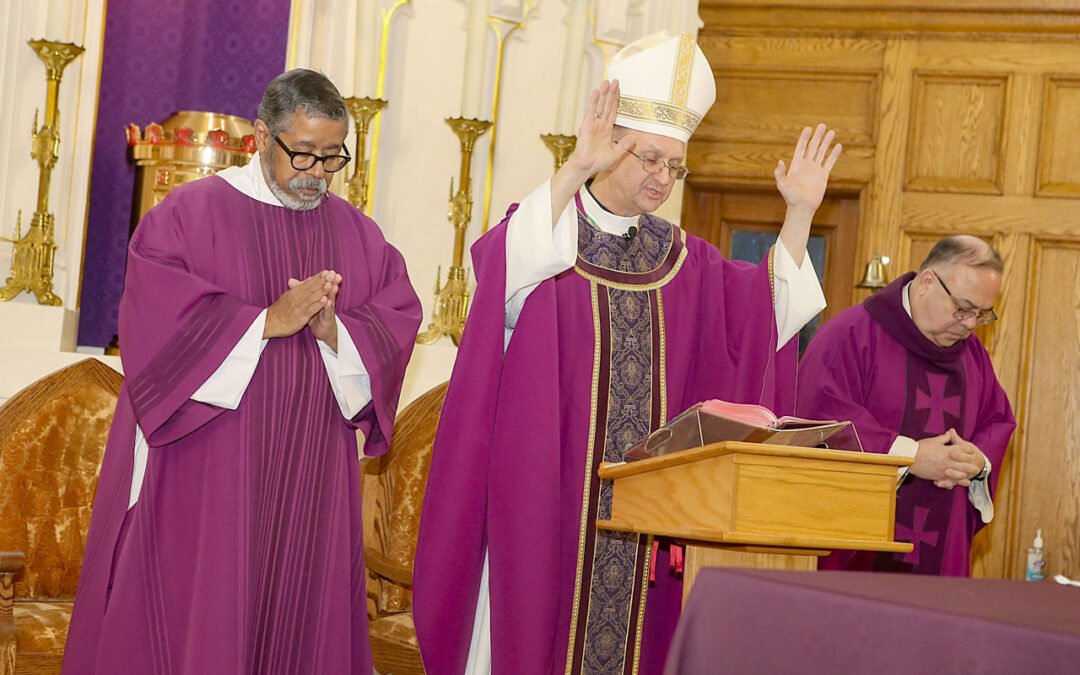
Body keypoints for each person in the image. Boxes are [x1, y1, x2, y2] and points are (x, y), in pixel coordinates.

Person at [413, 33, 840, 674]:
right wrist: (573, 170)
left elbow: (764, 321)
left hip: (643, 528)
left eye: (676, 167)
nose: (663, 179)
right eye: (649, 159)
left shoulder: (682, 259)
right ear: (609, 144)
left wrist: (801, 214)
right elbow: (502, 276)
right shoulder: (548, 233)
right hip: (544, 505)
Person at [64, 69, 422, 673]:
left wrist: (339, 332)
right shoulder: (187, 215)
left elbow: (395, 320)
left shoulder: (361, 237)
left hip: (313, 475)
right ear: (262, 136)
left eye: (333, 158)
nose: (316, 173)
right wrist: (263, 322)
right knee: (206, 621)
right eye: (303, 154)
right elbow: (154, 324)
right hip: (208, 471)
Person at [797, 236, 1016, 576]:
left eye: (981, 313)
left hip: (941, 558)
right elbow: (820, 416)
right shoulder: (851, 335)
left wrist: (977, 461)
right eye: (963, 308)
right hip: (856, 555)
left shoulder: (973, 357)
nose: (971, 324)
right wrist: (908, 456)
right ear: (927, 282)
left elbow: (997, 421)